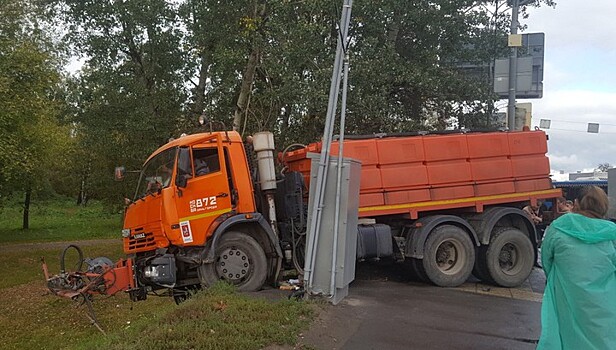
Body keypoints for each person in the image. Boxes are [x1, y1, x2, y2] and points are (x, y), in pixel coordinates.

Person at [537, 186, 616, 349]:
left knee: (566, 336)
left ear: (575, 203)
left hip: (567, 296)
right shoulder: (611, 234)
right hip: (605, 302)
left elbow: (547, 261)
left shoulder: (558, 227)